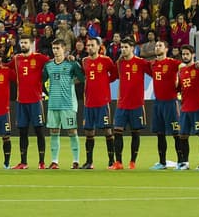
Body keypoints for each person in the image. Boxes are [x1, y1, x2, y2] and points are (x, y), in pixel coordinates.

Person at [42, 42, 83, 169]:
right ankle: (54, 161)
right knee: (54, 132)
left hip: (68, 104)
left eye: (57, 48)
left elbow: (82, 78)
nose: (55, 51)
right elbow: (42, 81)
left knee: (72, 131)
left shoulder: (71, 64)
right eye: (53, 48)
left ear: (64, 49)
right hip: (53, 104)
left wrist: (70, 83)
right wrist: (49, 93)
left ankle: (76, 161)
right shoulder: (48, 65)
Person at [11, 36, 48, 169]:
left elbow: (53, 63)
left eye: (26, 42)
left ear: (32, 44)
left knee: (39, 131)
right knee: (22, 132)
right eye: (21, 42)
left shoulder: (39, 58)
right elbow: (6, 68)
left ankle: (42, 162)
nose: (23, 44)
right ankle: (23, 162)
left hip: (35, 101)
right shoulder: (16, 59)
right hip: (21, 101)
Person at [80, 39, 117, 169]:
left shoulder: (106, 60)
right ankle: (89, 162)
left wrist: (105, 81)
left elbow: (115, 74)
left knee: (107, 130)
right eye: (88, 45)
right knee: (89, 132)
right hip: (89, 102)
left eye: (92, 45)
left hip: (102, 102)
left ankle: (111, 161)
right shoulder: (84, 61)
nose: (89, 47)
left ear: (98, 47)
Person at [112, 45, 150, 169]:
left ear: (132, 48)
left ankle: (132, 162)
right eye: (122, 47)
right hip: (122, 104)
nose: (123, 49)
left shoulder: (141, 62)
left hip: (136, 104)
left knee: (135, 133)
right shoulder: (120, 63)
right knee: (117, 132)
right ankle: (118, 162)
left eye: (126, 47)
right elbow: (113, 74)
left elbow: (154, 72)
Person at [147, 41, 183, 169]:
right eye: (156, 46)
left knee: (176, 133)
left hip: (171, 102)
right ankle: (162, 162)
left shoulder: (173, 63)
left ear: (166, 49)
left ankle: (181, 161)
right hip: (158, 103)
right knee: (160, 133)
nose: (157, 48)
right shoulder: (152, 64)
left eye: (160, 46)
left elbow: (185, 67)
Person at [176, 45, 199, 170]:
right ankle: (185, 162)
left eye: (187, 54)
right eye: (183, 54)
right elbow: (179, 88)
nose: (185, 56)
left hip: (198, 107)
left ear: (193, 55)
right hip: (185, 108)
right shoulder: (181, 70)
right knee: (183, 136)